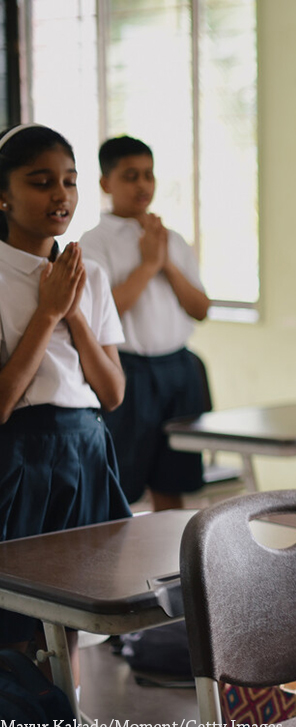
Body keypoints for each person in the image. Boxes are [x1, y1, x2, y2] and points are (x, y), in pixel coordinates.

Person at [0, 123, 131, 683]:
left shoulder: (90, 275)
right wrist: (48, 312)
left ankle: (64, 713)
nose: (61, 196)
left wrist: (73, 309)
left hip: (85, 449)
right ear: (3, 194)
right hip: (18, 457)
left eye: (70, 182)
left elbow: (113, 392)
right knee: (14, 618)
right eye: (40, 182)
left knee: (73, 613)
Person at [80, 136, 211, 511]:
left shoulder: (171, 239)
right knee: (120, 482)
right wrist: (148, 266)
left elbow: (200, 308)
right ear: (106, 183)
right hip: (128, 374)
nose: (142, 186)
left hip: (178, 370)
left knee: (173, 479)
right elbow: (101, 312)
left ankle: (176, 563)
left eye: (149, 176)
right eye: (130, 176)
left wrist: (165, 260)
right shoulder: (95, 243)